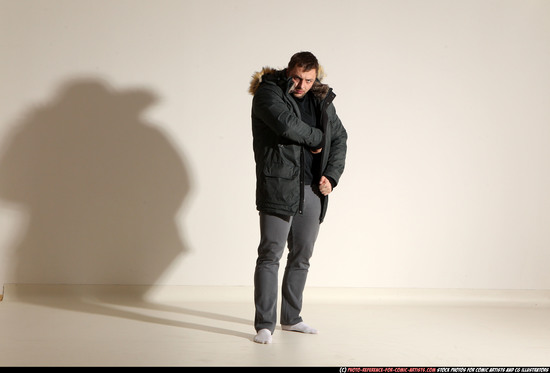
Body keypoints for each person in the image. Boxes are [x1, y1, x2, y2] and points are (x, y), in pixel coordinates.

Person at [249, 51, 348, 344]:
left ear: (316, 76)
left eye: (308, 79)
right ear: (287, 71)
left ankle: (291, 319)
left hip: (312, 188)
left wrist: (331, 176)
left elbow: (340, 138)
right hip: (279, 186)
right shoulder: (269, 92)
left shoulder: (321, 99)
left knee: (302, 256)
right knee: (270, 254)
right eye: (296, 77)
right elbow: (286, 125)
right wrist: (319, 139)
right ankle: (264, 325)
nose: (302, 84)